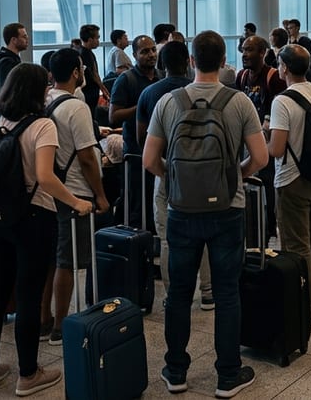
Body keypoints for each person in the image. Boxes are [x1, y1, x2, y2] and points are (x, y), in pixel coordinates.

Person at [143, 31, 269, 398]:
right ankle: (228, 374)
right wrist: (235, 176)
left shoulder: (168, 102)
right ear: (224, 58)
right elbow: (261, 158)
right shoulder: (239, 102)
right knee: (227, 293)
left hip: (181, 211)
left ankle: (176, 371)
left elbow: (150, 160)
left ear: (192, 61)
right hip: (227, 211)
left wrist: (175, 179)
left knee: (178, 294)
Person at [0, 63, 94, 396]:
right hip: (33, 219)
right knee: (28, 295)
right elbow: (45, 176)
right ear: (37, 91)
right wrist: (76, 202)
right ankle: (28, 375)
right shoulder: (43, 125)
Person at [138, 41, 214, 310]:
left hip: (169, 172)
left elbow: (144, 147)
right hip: (206, 174)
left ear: (161, 63)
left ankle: (174, 295)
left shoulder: (152, 94)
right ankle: (208, 292)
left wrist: (168, 173)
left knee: (169, 238)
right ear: (188, 61)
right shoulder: (214, 94)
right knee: (205, 234)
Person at [45, 49, 111, 347]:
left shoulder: (45, 100)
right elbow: (86, 156)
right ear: (75, 72)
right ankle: (60, 326)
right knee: (67, 261)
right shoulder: (77, 107)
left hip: (49, 190)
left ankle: (44, 319)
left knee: (51, 259)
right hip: (76, 192)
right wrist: (100, 194)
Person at [266, 44, 311, 324]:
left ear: (284, 67)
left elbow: (277, 150)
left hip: (293, 180)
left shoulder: (282, 101)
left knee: (297, 244)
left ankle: (308, 309)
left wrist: (264, 134)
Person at [237, 35, 287, 243]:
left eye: (250, 50)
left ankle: (268, 227)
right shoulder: (241, 77)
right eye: (243, 50)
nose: (245, 54)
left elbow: (281, 105)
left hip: (266, 141)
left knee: (266, 182)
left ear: (262, 53)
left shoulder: (273, 77)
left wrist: (268, 123)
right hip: (245, 140)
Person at [108, 35, 160, 231]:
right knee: (137, 203)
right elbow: (114, 116)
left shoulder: (161, 77)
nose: (151, 55)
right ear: (135, 55)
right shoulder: (126, 80)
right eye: (145, 51)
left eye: (153, 50)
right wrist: (142, 105)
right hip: (135, 154)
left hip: (158, 150)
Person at [78, 25, 110, 115]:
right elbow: (94, 74)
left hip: (90, 91)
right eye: (97, 38)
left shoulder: (84, 52)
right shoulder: (85, 54)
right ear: (90, 39)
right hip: (89, 92)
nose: (98, 41)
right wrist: (103, 89)